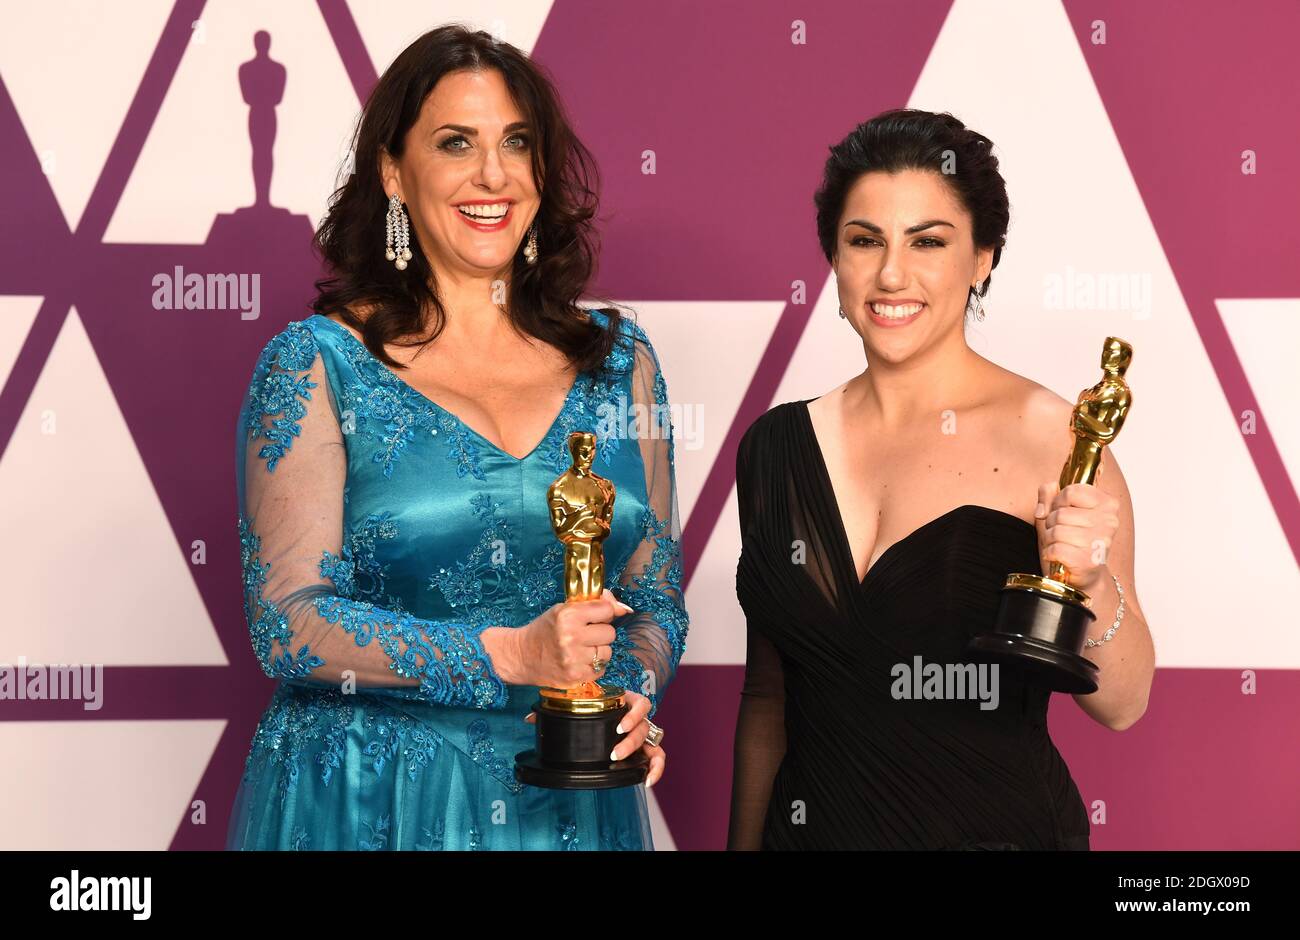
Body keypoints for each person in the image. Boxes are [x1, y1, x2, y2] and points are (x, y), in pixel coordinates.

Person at [227, 25, 687, 851]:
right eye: (455, 143)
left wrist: (622, 692)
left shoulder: (623, 363)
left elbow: (654, 597)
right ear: (394, 172)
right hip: (377, 803)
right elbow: (287, 623)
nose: (493, 174)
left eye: (517, 142)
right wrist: (506, 655)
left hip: (572, 805)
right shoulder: (317, 365)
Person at [728, 109, 1154, 850]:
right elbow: (769, 697)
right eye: (866, 241)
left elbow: (1124, 704)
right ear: (834, 255)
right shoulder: (775, 446)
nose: (893, 274)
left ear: (983, 256)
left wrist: (1091, 583)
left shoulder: (1053, 436)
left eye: (929, 241)